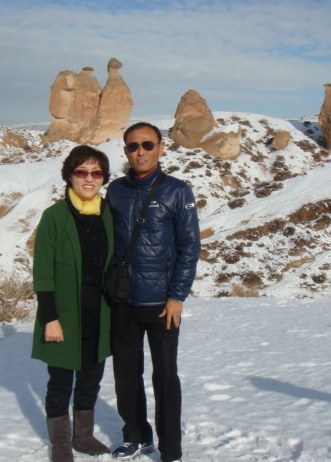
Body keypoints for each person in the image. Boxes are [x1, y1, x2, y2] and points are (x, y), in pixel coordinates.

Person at [106, 122, 201, 462]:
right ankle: (136, 436)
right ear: (125, 151)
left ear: (161, 148)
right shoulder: (116, 190)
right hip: (124, 301)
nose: (140, 151)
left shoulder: (178, 191)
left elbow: (190, 248)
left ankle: (171, 450)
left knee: (165, 377)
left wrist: (177, 297)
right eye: (133, 146)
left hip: (162, 304)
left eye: (148, 144)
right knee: (126, 375)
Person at [31, 145, 114, 462]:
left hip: (99, 315)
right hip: (64, 316)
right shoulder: (54, 217)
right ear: (70, 175)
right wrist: (50, 318)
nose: (89, 178)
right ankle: (61, 445)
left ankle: (84, 436)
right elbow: (43, 274)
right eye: (82, 171)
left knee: (91, 381)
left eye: (96, 173)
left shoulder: (109, 214)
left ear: (104, 178)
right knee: (60, 384)